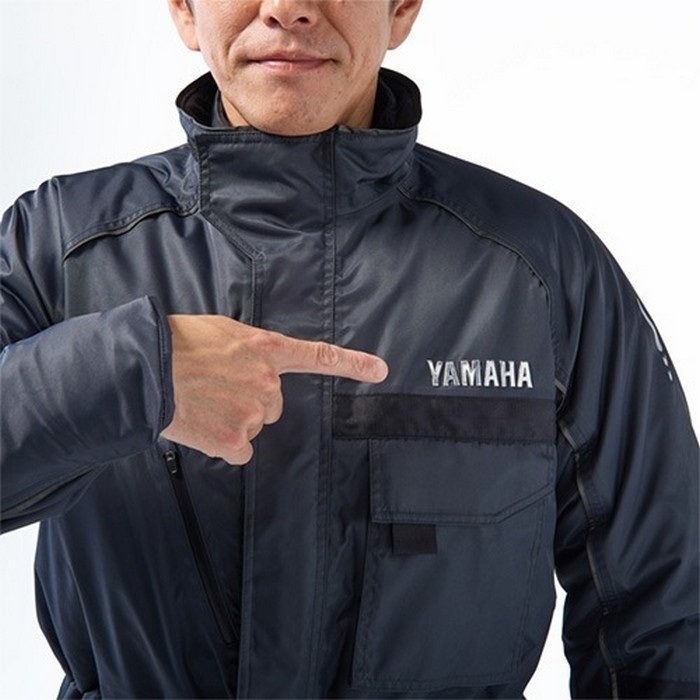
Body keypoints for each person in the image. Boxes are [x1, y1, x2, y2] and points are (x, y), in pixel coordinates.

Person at [1, 0, 698, 698]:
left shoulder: (541, 270)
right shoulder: (60, 246)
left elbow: (665, 615)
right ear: (185, 10)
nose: (288, 9)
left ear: (402, 9)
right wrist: (135, 372)